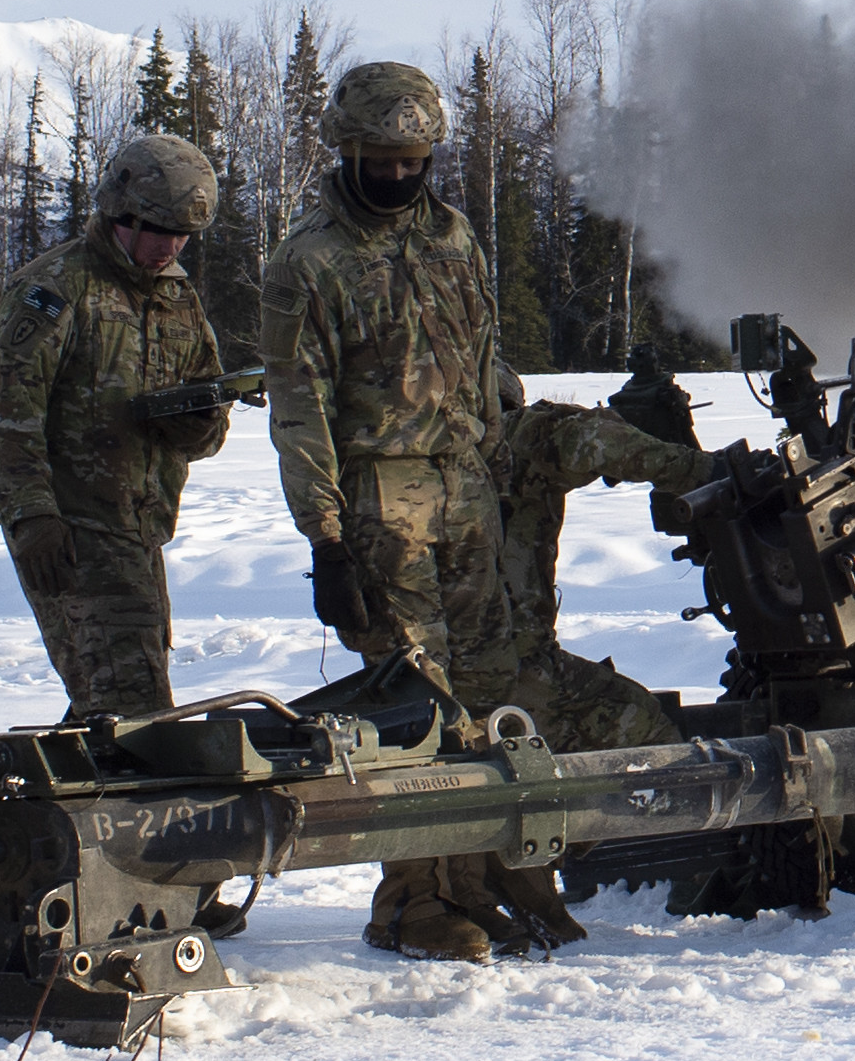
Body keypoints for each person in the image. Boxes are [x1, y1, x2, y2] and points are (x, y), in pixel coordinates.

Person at [261, 59, 516, 961]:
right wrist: (328, 542)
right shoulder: (309, 261)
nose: (402, 174)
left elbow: (482, 356)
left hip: (466, 494)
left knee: (488, 695)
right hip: (380, 502)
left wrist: (503, 436)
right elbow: (299, 409)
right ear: (349, 148)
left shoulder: (453, 237)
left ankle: (487, 884)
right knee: (421, 710)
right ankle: (414, 904)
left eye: (416, 158)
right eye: (385, 157)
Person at [411, 357, 724, 955]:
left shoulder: (422, 457)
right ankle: (528, 874)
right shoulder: (521, 437)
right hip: (514, 669)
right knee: (639, 733)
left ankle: (518, 877)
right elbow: (591, 440)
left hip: (445, 667)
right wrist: (701, 468)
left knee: (502, 761)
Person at [0, 132, 230, 726]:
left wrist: (196, 423)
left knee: (119, 704)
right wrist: (32, 514)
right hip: (71, 531)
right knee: (131, 706)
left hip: (140, 530)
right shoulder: (55, 289)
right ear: (120, 213)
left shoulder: (178, 299)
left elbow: (209, 424)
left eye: (183, 235)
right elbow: (9, 410)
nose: (171, 246)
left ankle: (57, 803)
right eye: (159, 229)